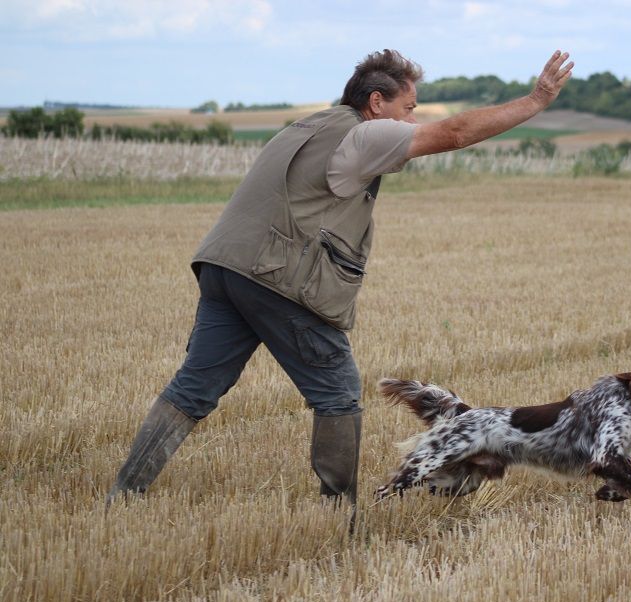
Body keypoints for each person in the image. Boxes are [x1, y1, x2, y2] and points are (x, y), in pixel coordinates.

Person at [106, 49, 574, 517]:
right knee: (337, 390)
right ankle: (338, 513)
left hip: (224, 268)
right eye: (408, 109)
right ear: (376, 103)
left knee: (194, 387)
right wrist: (535, 101)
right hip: (276, 277)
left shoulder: (309, 125)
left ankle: (124, 494)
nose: (410, 121)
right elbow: (452, 133)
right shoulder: (364, 134)